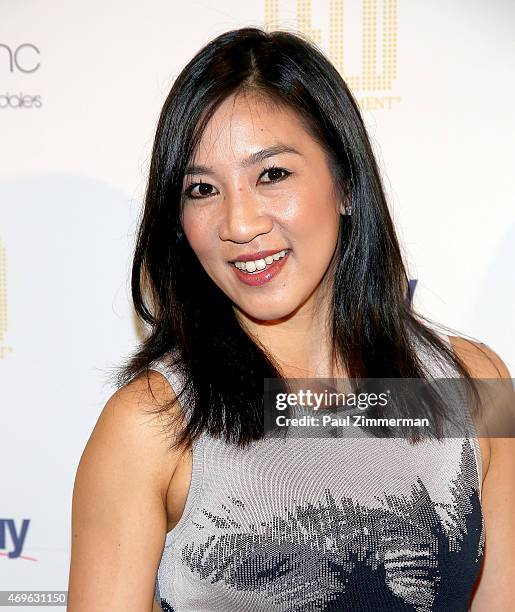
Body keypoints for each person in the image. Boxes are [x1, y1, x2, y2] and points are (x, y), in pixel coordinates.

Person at [67, 27, 514, 611]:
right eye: (202, 189)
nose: (239, 222)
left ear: (346, 184)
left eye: (272, 175)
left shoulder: (475, 386)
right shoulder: (150, 425)